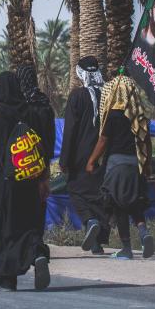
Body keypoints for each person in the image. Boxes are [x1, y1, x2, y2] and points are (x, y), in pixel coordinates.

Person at [0, 70, 53, 292]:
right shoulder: (32, 113)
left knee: (3, 231)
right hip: (30, 182)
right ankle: (37, 253)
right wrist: (44, 180)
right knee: (26, 225)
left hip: (2, 184)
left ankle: (7, 280)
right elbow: (42, 149)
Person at [86, 74, 155, 260]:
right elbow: (146, 141)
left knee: (118, 204)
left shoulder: (113, 114)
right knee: (134, 201)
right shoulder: (138, 115)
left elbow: (103, 140)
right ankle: (144, 233)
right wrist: (147, 164)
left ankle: (126, 248)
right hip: (135, 164)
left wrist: (91, 160)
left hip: (116, 165)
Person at [59, 56, 111, 254]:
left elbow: (70, 130)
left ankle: (89, 222)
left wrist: (64, 160)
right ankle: (97, 243)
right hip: (103, 157)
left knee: (76, 192)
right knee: (98, 196)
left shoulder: (77, 96)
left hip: (79, 157)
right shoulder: (108, 96)